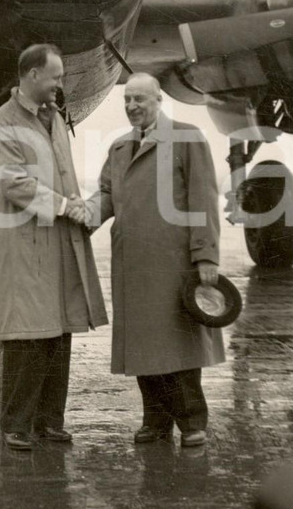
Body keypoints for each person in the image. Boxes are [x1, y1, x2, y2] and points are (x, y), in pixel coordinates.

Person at [0, 43, 109, 451]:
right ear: (32, 74)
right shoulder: (2, 123)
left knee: (58, 333)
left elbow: (63, 175)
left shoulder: (53, 119)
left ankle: (50, 420)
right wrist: (66, 207)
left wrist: (78, 206)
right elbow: (12, 182)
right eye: (55, 76)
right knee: (27, 335)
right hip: (23, 244)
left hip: (57, 241)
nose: (60, 84)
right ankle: (16, 424)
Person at [85, 73, 223, 448]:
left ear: (159, 100)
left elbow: (204, 198)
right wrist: (80, 216)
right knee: (143, 347)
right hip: (132, 266)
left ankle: (192, 423)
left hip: (173, 264)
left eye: (140, 99)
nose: (132, 106)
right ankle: (156, 421)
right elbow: (106, 196)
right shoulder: (119, 148)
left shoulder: (187, 138)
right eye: (127, 99)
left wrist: (206, 255)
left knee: (178, 347)